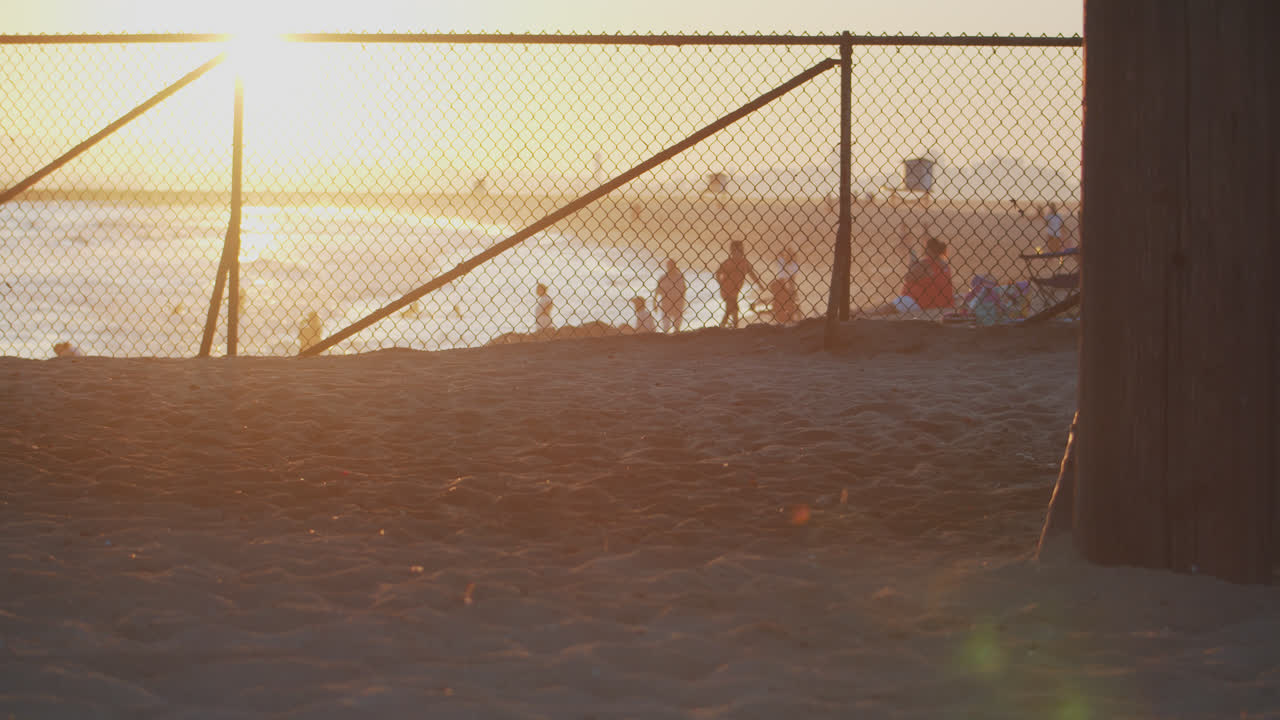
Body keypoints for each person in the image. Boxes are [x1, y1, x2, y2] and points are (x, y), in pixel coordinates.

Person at [862, 234, 954, 315]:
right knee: (886, 307)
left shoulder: (926, 263)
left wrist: (912, 263)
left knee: (885, 309)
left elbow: (908, 277)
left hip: (919, 300)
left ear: (929, 250)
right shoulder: (944, 264)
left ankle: (863, 313)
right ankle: (864, 312)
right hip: (940, 300)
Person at [715, 240, 764, 328]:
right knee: (732, 308)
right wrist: (721, 284)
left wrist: (760, 285)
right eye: (735, 252)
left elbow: (752, 274)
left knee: (732, 309)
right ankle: (728, 326)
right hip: (727, 289)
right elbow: (718, 273)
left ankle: (729, 326)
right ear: (732, 252)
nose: (737, 254)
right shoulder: (728, 262)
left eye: (739, 251)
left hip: (735, 290)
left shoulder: (744, 262)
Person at [769, 245, 801, 324]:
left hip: (786, 287)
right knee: (783, 304)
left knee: (790, 305)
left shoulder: (793, 266)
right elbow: (779, 257)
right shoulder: (784, 264)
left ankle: (791, 319)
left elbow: (791, 281)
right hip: (780, 285)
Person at [655, 258, 686, 333]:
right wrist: (654, 303)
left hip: (677, 303)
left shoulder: (679, 277)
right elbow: (657, 291)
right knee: (666, 326)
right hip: (667, 303)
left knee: (676, 326)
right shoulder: (663, 277)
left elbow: (684, 289)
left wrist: (683, 302)